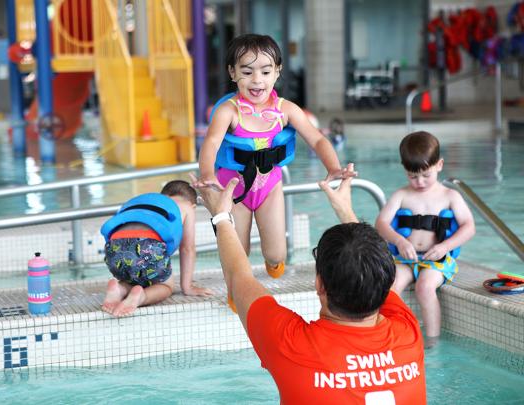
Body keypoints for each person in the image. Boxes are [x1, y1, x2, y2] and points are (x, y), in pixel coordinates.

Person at [194, 163, 427, 403]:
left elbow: (239, 278)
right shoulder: (408, 332)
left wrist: (221, 215)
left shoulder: (292, 345)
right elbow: (374, 271)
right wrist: (346, 210)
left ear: (320, 285)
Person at [195, 34, 355, 310]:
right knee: (238, 249)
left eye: (266, 71)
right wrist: (208, 174)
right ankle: (237, 288)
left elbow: (316, 139)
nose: (257, 80)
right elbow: (210, 143)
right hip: (234, 189)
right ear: (233, 73)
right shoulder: (228, 111)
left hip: (269, 187)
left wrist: (334, 167)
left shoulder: (285, 110)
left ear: (277, 72)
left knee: (276, 253)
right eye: (247, 72)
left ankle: (272, 261)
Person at [375, 131, 475, 347]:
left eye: (425, 175)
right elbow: (381, 224)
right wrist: (400, 242)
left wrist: (444, 247)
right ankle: (391, 334)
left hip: (436, 260)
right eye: (412, 176)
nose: (419, 182)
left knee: (425, 287)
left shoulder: (450, 196)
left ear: (439, 165)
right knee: (389, 289)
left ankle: (432, 340)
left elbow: (469, 227)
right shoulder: (401, 195)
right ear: (404, 169)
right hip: (405, 259)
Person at [100, 180, 213, 317]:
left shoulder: (148, 202)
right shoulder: (186, 206)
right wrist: (187, 287)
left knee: (135, 277)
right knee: (165, 285)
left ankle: (120, 289)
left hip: (114, 247)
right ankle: (141, 297)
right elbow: (187, 249)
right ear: (193, 205)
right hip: (148, 245)